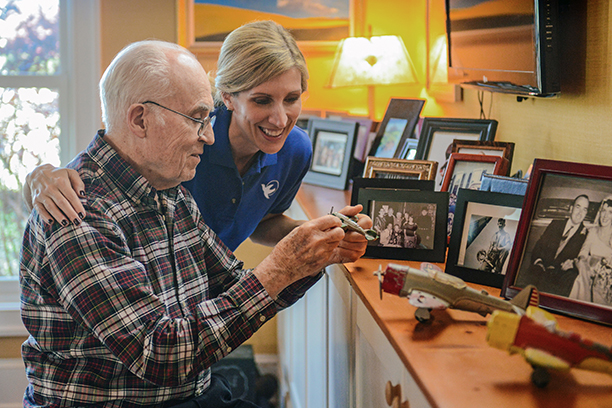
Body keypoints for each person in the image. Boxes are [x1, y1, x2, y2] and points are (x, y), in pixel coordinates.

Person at [19, 40, 370, 408]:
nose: (210, 135)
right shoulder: (77, 214)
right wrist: (281, 268)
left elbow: (232, 283)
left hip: (192, 391)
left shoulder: (170, 189)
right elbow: (160, 354)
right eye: (198, 118)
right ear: (140, 119)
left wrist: (314, 251)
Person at [23, 20, 312, 252]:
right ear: (228, 97)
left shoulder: (295, 150)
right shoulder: (188, 141)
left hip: (210, 286)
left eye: (291, 99)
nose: (280, 119)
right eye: (261, 101)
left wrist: (323, 232)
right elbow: (103, 172)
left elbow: (264, 221)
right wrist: (38, 178)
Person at [523, 194, 590, 296]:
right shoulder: (555, 224)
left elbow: (582, 260)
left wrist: (572, 264)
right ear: (571, 208)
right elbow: (539, 246)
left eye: (584, 209)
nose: (580, 213)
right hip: (540, 269)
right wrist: (539, 262)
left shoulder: (586, 235)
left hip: (560, 276)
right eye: (578, 207)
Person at [570, 196, 612, 306]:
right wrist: (588, 263)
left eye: (610, 212)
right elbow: (583, 252)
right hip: (588, 273)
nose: (605, 216)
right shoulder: (593, 231)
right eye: (603, 211)